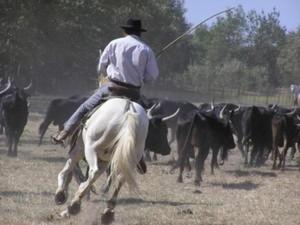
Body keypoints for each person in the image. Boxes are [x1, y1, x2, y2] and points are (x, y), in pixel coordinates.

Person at [52, 18, 159, 144]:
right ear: (139, 33)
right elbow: (152, 76)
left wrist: (108, 74)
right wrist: (142, 77)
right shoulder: (146, 50)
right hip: (134, 93)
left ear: (125, 31)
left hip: (112, 89)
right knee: (147, 118)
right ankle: (145, 148)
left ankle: (65, 132)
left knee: (84, 107)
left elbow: (101, 67)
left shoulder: (114, 43)